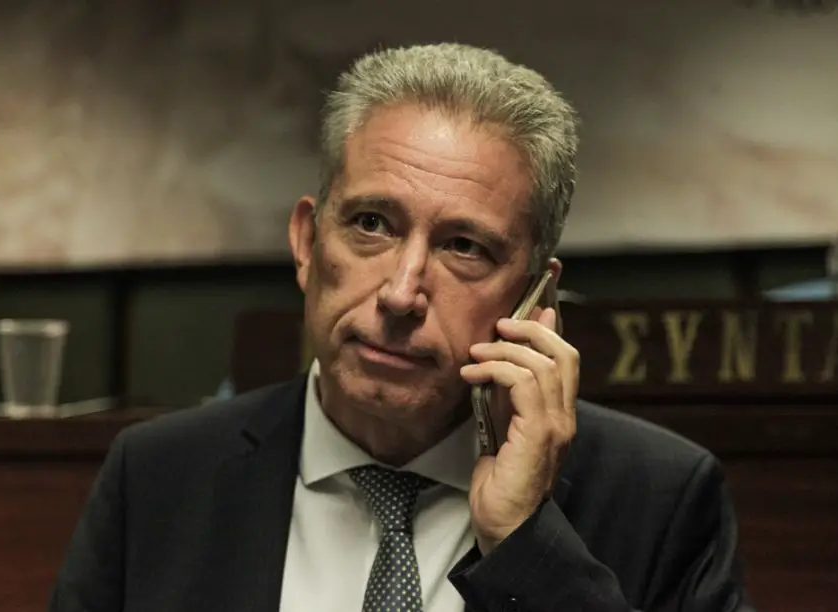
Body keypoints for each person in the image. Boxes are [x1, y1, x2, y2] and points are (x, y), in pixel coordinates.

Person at [49, 43, 755, 612]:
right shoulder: (158, 476)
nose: (400, 292)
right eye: (371, 223)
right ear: (307, 242)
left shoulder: (657, 496)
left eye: (464, 247)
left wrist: (524, 541)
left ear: (535, 296)